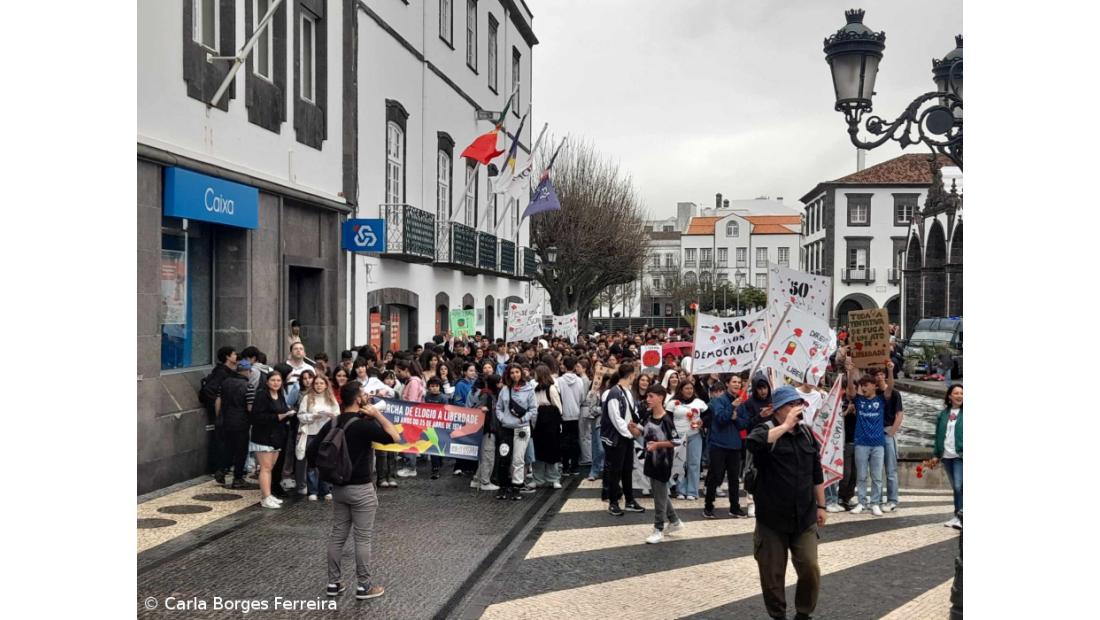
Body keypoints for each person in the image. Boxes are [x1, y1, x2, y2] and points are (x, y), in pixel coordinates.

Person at [309, 381, 400, 601]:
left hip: (339, 487)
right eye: (364, 394)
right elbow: (395, 437)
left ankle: (334, 583)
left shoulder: (332, 423)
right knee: (363, 538)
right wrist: (377, 415)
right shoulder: (363, 425)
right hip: (361, 488)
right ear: (358, 400)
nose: (367, 397)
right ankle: (364, 586)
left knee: (338, 535)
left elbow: (312, 452)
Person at [747, 385, 827, 620]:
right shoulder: (766, 430)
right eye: (791, 405)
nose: (797, 409)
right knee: (772, 574)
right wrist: (784, 427)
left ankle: (804, 613)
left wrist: (821, 506)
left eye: (798, 404)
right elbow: (754, 444)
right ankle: (778, 615)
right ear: (779, 409)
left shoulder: (807, 434)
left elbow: (816, 472)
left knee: (810, 568)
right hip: (772, 518)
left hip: (804, 516)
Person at [845, 360, 895, 516]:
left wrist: (890, 371)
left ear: (873, 386)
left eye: (866, 385)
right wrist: (851, 372)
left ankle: (875, 503)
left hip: (878, 444)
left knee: (877, 477)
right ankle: (861, 502)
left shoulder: (880, 400)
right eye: (862, 385)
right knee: (861, 475)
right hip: (861, 444)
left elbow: (890, 389)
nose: (863, 388)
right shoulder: (859, 401)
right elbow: (851, 392)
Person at [642, 384, 686, 544]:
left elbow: (675, 441)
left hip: (662, 462)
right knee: (659, 493)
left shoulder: (667, 419)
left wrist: (657, 445)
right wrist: (635, 430)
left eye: (651, 396)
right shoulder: (648, 416)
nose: (648, 399)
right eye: (647, 396)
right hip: (650, 460)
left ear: (660, 398)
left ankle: (658, 529)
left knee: (659, 495)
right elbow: (645, 433)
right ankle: (674, 521)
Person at [601, 363, 645, 517]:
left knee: (627, 469)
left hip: (627, 435)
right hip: (618, 437)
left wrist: (638, 428)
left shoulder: (627, 392)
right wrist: (629, 432)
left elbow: (632, 414)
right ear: (631, 375)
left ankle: (630, 500)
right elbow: (615, 418)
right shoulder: (614, 392)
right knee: (615, 471)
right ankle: (613, 502)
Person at [704, 374, 750, 519]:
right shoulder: (719, 401)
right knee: (715, 476)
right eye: (734, 382)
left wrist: (736, 418)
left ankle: (735, 507)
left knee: (734, 478)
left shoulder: (741, 402)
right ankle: (708, 506)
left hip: (735, 445)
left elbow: (744, 423)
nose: (737, 384)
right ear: (727, 384)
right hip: (718, 444)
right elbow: (721, 418)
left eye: (739, 383)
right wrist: (731, 407)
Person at [249, 372, 296, 508]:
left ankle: (268, 494)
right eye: (273, 380)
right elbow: (257, 417)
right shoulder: (262, 395)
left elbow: (284, 411)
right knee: (265, 468)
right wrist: (279, 417)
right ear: (267, 382)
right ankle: (266, 497)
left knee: (271, 468)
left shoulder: (280, 395)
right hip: (264, 436)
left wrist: (289, 414)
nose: (276, 383)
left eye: (278, 380)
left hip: (277, 436)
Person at [494, 364, 538, 500]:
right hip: (506, 428)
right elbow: (499, 407)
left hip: (521, 429)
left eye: (517, 372)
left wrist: (522, 420)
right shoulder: (505, 390)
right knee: (504, 456)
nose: (514, 375)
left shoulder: (529, 390)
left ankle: (516, 486)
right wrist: (502, 419)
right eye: (512, 372)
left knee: (518, 459)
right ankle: (503, 485)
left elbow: (533, 409)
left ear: (521, 373)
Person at [296, 374, 340, 500]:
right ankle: (313, 490)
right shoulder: (307, 398)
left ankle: (326, 489)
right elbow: (300, 416)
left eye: (321, 383)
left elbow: (338, 415)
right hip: (312, 433)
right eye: (316, 383)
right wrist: (312, 417)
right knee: (312, 463)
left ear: (326, 385)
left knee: (326, 462)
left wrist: (332, 416)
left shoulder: (331, 398)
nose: (319, 386)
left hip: (327, 434)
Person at [200, 346, 238, 483]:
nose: (236, 356)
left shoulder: (229, 372)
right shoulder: (221, 373)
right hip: (222, 413)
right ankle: (218, 468)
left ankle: (223, 467)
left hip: (226, 412)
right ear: (228, 357)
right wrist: (219, 409)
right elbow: (212, 392)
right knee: (221, 440)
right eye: (234, 354)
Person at [217, 359, 255, 489]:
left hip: (225, 421)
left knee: (228, 448)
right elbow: (250, 407)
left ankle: (221, 471)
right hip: (241, 423)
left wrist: (219, 417)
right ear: (248, 371)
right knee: (241, 451)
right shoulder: (248, 386)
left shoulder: (225, 383)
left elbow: (218, 401)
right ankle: (238, 478)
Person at [667, 381, 707, 501]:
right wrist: (673, 433)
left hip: (695, 435)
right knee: (680, 463)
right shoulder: (672, 403)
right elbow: (668, 419)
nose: (689, 391)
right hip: (679, 437)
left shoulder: (699, 402)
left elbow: (709, 415)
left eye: (691, 388)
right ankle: (680, 490)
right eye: (686, 388)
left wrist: (702, 422)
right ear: (681, 389)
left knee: (694, 463)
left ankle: (692, 491)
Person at [931, 384, 963, 529]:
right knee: (956, 488)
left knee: (959, 486)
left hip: (960, 455)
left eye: (962, 393)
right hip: (946, 456)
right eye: (956, 393)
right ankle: (957, 515)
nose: (959, 396)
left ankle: (961, 516)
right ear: (950, 396)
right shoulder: (943, 414)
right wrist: (936, 454)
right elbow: (938, 435)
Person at [875, 368, 904, 512]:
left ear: (886, 376)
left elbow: (899, 414)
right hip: (875, 434)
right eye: (877, 374)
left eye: (882, 374)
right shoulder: (872, 393)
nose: (879, 377)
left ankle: (892, 499)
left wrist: (892, 432)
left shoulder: (894, 393)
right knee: (876, 469)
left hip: (887, 432)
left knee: (890, 469)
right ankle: (878, 499)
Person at [531, 364, 564, 489]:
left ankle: (554, 478)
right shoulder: (535, 389)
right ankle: (538, 478)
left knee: (552, 451)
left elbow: (558, 407)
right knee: (538, 451)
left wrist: (558, 424)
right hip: (539, 422)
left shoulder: (552, 389)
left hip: (551, 422)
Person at [471, 374, 502, 492]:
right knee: (488, 456)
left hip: (489, 429)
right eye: (499, 382)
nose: (500, 385)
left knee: (486, 455)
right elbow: (475, 409)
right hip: (488, 430)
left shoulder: (490, 394)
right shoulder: (487, 395)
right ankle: (485, 481)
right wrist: (481, 409)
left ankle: (477, 479)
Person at [395, 360, 425, 478]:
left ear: (406, 370)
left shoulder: (413, 383)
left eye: (400, 371)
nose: (399, 374)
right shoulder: (415, 381)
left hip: (411, 416)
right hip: (411, 416)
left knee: (409, 441)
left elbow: (411, 401)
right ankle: (410, 465)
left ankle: (411, 467)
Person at [557, 356, 586, 477]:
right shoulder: (579, 381)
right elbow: (582, 397)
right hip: (575, 413)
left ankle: (565, 467)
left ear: (564, 366)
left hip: (563, 414)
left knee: (564, 441)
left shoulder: (559, 381)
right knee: (575, 440)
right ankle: (574, 466)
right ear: (574, 366)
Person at [424, 376, 450, 479]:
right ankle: (435, 469)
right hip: (430, 426)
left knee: (439, 445)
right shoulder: (427, 397)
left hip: (440, 426)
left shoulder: (443, 398)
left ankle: (439, 461)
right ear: (429, 387)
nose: (434, 388)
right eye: (432, 386)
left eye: (436, 386)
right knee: (433, 446)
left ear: (440, 387)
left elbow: (447, 411)